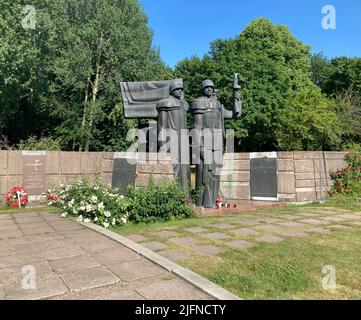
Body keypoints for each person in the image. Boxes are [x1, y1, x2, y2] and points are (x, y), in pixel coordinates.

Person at [191, 79, 241, 208]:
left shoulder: (218, 104)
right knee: (204, 173)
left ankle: (213, 201)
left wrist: (237, 99)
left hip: (217, 142)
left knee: (215, 173)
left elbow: (235, 115)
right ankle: (201, 201)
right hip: (204, 141)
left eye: (211, 87)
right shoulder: (198, 103)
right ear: (202, 89)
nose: (209, 89)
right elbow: (197, 127)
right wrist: (199, 146)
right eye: (207, 87)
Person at [156, 80, 190, 191]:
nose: (180, 91)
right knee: (173, 164)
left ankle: (184, 192)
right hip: (171, 137)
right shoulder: (166, 103)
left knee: (184, 166)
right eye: (178, 89)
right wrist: (161, 142)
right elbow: (161, 124)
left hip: (183, 138)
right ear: (172, 91)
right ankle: (172, 190)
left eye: (181, 90)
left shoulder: (184, 104)